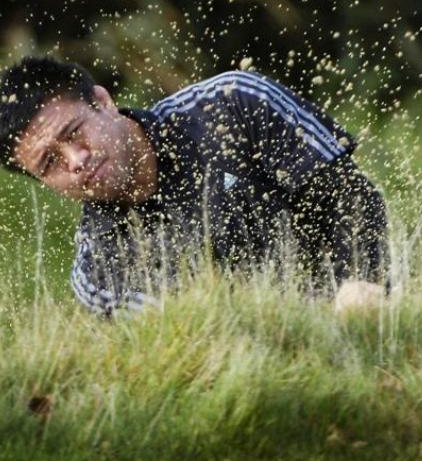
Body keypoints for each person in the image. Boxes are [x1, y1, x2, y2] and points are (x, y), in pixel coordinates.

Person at [0, 57, 389, 316]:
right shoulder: (99, 274)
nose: (77, 160)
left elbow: (348, 197)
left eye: (75, 132)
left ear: (103, 102)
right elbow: (192, 350)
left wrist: (362, 280)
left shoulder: (232, 102)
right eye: (51, 163)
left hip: (368, 311)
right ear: (41, 182)